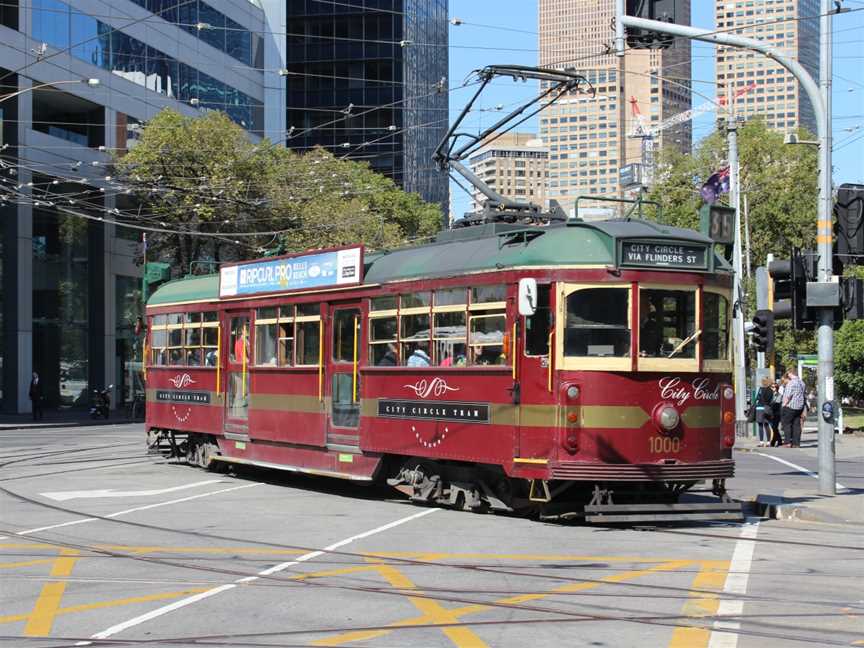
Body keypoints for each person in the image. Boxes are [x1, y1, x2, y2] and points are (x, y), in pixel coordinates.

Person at [781, 368, 807, 447]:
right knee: (797, 425)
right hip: (799, 407)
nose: (788, 375)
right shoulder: (802, 383)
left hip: (790, 406)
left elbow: (788, 396)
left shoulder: (791, 383)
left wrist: (784, 404)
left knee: (787, 424)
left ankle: (787, 442)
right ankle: (796, 443)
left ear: (790, 373)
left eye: (788, 374)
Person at [638, 293, 662, 357]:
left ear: (648, 309)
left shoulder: (654, 326)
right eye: (639, 306)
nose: (640, 309)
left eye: (643, 306)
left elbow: (658, 343)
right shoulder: (631, 325)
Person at [754, 377, 774, 447]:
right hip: (767, 409)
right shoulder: (771, 391)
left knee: (760, 425)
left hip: (760, 408)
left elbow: (757, 398)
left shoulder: (761, 389)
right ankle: (768, 442)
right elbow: (771, 400)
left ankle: (761, 442)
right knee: (766, 425)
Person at [769, 381, 783, 446]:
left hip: (776, 413)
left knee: (774, 427)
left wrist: (771, 403)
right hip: (770, 413)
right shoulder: (770, 394)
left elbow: (777, 403)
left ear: (776, 388)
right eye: (771, 387)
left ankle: (776, 441)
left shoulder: (779, 395)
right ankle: (776, 441)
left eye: (773, 387)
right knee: (774, 427)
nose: (772, 388)